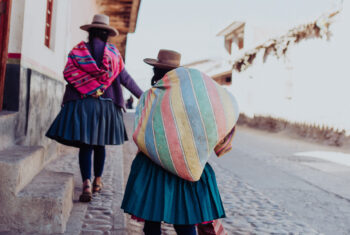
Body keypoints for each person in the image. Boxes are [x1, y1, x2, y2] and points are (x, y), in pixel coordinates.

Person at [121, 50, 226, 235]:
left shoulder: (149, 96)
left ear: (156, 72)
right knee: (185, 220)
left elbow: (141, 130)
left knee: (152, 220)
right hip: (185, 164)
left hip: (152, 166)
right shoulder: (193, 98)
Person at [46, 14, 143, 202]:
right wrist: (145, 97)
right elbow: (126, 80)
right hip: (106, 107)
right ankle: (98, 180)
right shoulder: (114, 55)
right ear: (106, 34)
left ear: (90, 32)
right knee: (100, 144)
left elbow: (69, 73)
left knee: (86, 145)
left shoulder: (78, 52)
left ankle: (87, 184)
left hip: (83, 104)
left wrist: (86, 85)